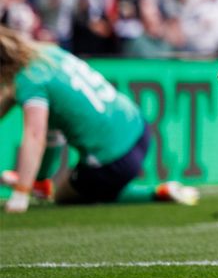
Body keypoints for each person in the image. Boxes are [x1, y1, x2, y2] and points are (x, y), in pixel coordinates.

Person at [0, 26, 198, 214]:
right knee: (73, 180)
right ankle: (40, 183)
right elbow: (52, 135)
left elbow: (35, 136)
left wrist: (21, 193)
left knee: (63, 194)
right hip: (140, 129)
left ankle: (152, 193)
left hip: (115, 159)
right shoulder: (48, 54)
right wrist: (39, 179)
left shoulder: (29, 80)